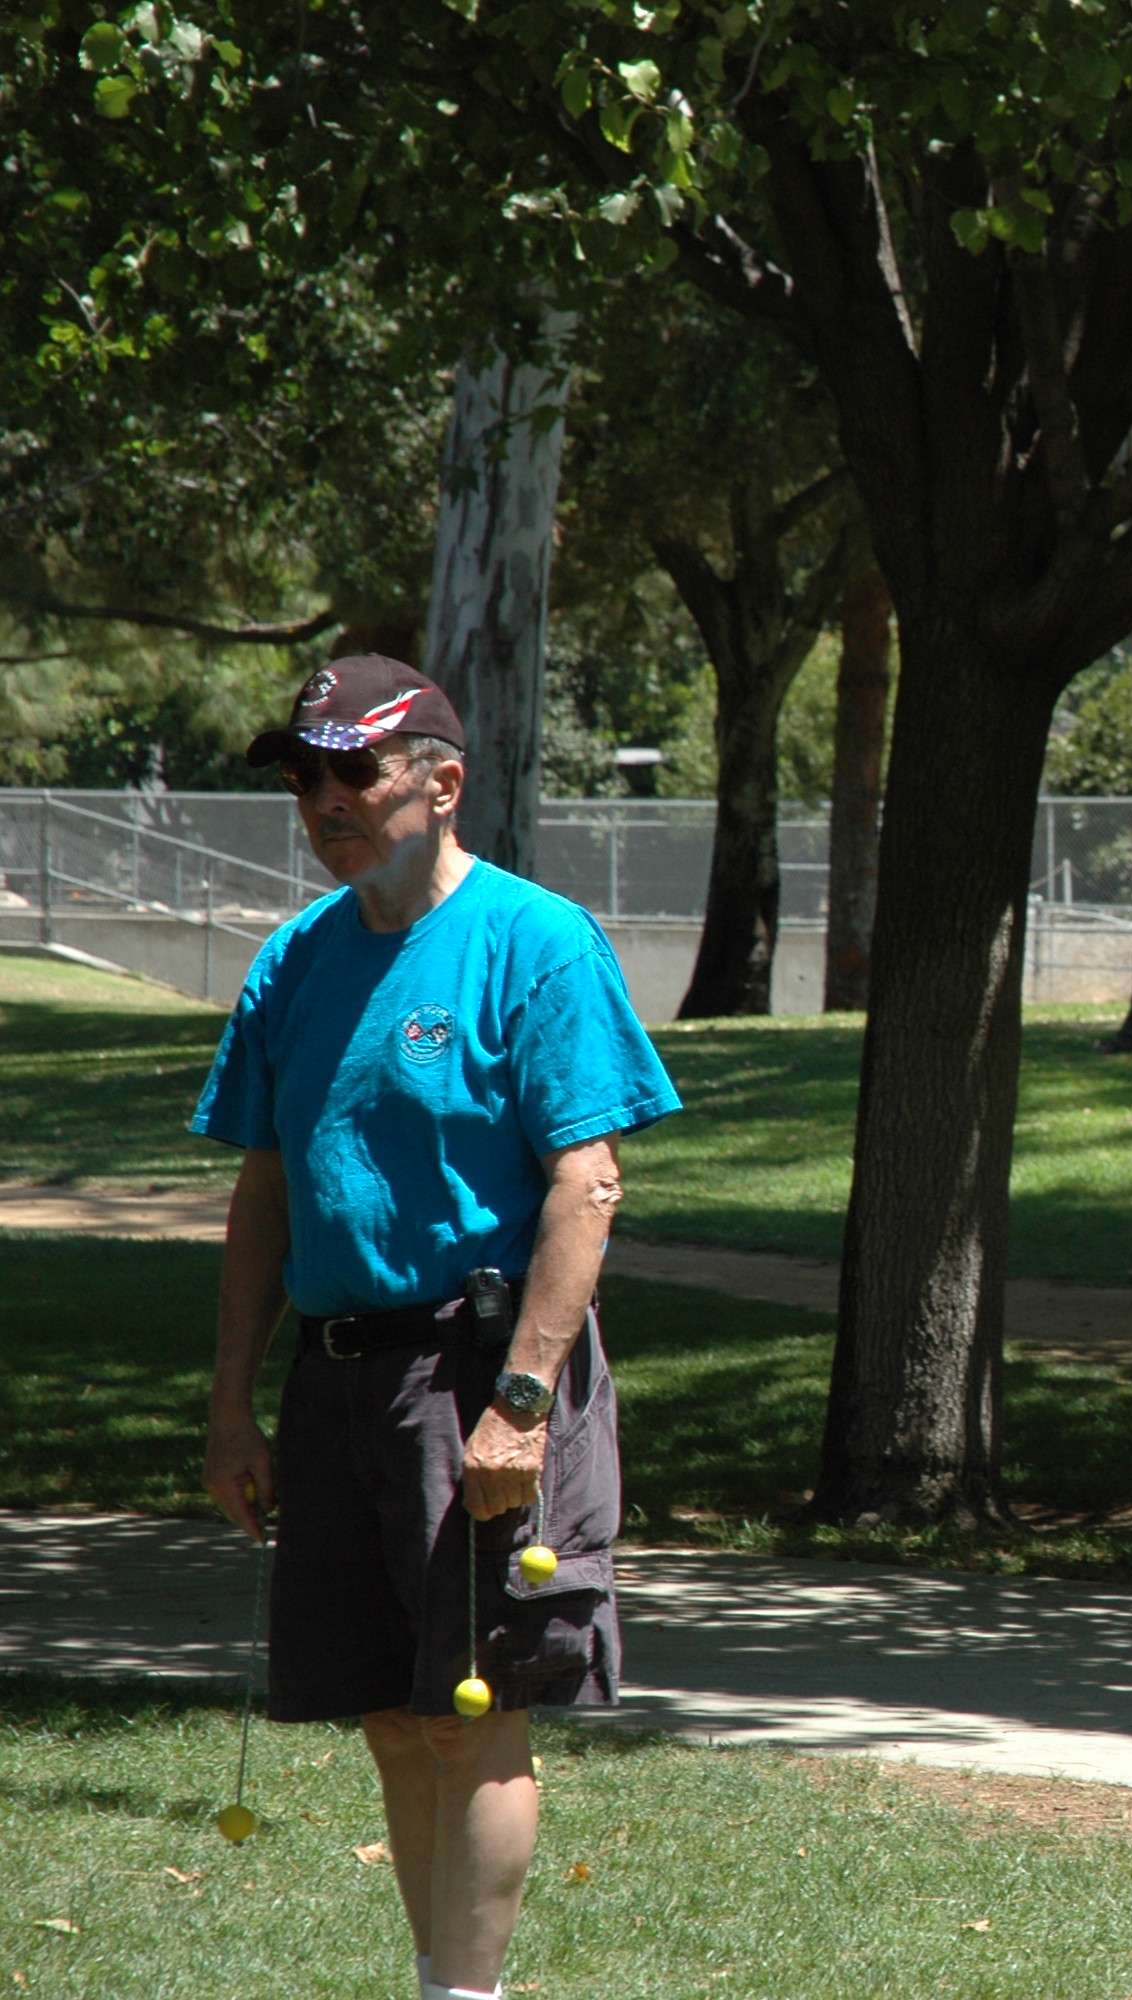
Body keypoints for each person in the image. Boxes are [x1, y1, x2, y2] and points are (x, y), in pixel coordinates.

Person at [194, 655, 682, 2000]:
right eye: (304, 774)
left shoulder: (537, 942)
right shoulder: (296, 960)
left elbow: (588, 1181)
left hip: (478, 1370)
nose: (323, 800)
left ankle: (470, 1995)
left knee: (477, 1716)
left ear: (442, 783)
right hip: (341, 1373)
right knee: (395, 1718)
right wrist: (232, 1403)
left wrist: (520, 1403)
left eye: (352, 770)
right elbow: (266, 1192)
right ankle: (435, 1981)